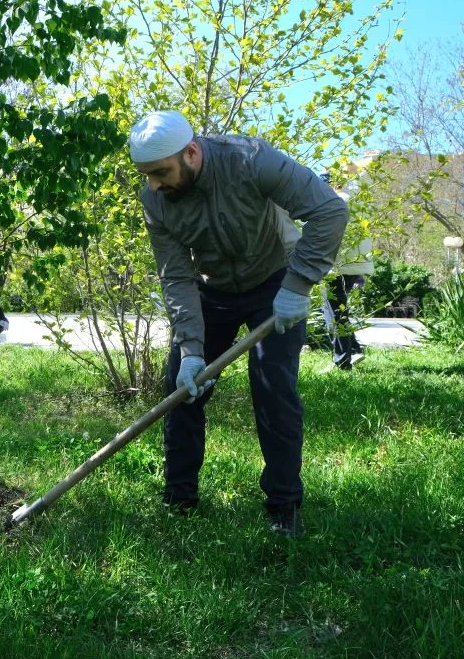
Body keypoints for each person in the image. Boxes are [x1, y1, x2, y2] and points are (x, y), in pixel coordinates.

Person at [129, 110, 348, 537]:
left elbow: (328, 210)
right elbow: (176, 276)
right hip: (212, 291)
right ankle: (179, 500)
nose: (153, 184)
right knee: (182, 388)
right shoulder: (155, 200)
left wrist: (298, 284)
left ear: (192, 153)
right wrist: (191, 349)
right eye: (147, 175)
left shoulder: (251, 159)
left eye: (160, 172)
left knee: (273, 389)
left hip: (275, 282)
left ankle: (284, 506)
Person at [319, 175, 373, 373]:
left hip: (337, 265)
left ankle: (342, 361)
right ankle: (354, 350)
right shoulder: (358, 199)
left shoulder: (333, 200)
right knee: (338, 309)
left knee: (333, 312)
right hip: (355, 265)